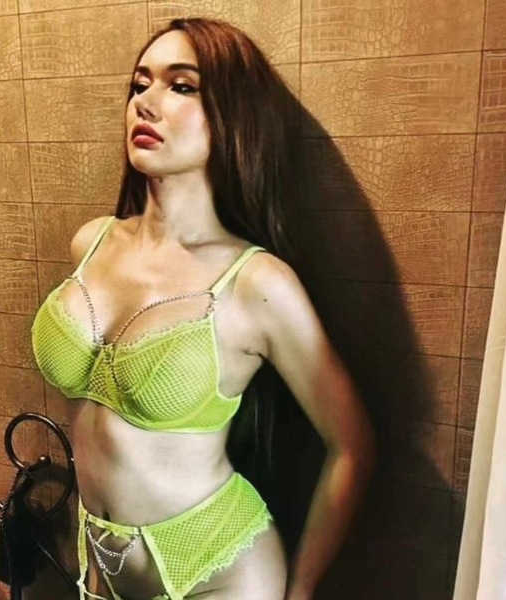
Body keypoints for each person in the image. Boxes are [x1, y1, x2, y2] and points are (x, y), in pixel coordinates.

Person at [31, 17, 376, 600]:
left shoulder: (257, 283)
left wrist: (301, 589)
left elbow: (352, 445)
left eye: (182, 86)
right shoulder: (90, 242)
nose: (145, 103)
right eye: (140, 84)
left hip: (219, 569)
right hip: (100, 561)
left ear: (232, 116)